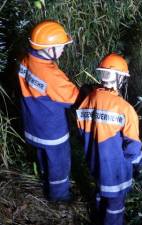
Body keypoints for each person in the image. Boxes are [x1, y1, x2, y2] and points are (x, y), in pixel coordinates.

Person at [76, 53, 142, 225]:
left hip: (95, 164)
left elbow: (82, 131)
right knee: (115, 206)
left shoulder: (87, 100)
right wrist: (140, 162)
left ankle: (98, 218)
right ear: (120, 78)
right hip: (115, 170)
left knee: (101, 194)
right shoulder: (125, 109)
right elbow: (132, 148)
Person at [18, 20, 79, 201]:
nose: (63, 50)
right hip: (52, 131)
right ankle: (59, 197)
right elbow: (73, 99)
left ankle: (46, 180)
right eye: (60, 46)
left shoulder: (25, 60)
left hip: (32, 125)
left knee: (43, 157)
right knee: (58, 164)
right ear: (47, 48)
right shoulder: (50, 74)